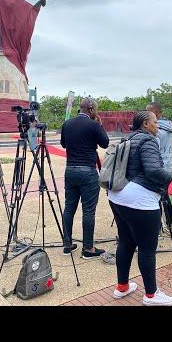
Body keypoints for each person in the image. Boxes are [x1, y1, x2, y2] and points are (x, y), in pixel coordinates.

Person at [108, 110, 172, 305]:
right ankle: (151, 295)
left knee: (126, 242)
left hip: (117, 196)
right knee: (147, 248)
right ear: (146, 124)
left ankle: (122, 287)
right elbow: (154, 171)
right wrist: (170, 177)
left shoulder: (127, 139)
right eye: (155, 122)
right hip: (139, 200)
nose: (158, 125)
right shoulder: (148, 141)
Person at [60, 97, 110, 259]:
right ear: (90, 110)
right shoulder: (94, 125)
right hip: (87, 172)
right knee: (88, 210)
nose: (97, 112)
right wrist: (100, 125)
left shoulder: (67, 124)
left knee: (69, 208)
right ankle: (88, 248)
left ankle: (67, 245)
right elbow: (105, 143)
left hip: (70, 170)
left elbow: (63, 144)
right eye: (96, 109)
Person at [146, 102, 172, 233]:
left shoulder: (157, 130)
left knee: (158, 197)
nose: (146, 114)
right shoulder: (168, 125)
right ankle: (168, 224)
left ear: (156, 113)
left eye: (148, 112)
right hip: (166, 166)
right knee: (164, 196)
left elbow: (153, 149)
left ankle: (160, 226)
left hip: (159, 167)